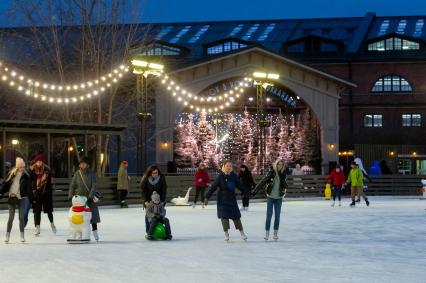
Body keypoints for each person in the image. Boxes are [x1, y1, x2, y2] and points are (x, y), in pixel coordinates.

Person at [204, 160, 248, 241]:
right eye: (227, 166)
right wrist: (207, 197)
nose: (229, 167)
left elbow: (240, 186)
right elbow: (213, 187)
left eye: (230, 166)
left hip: (231, 199)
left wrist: (246, 193)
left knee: (236, 216)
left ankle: (242, 233)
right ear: (224, 167)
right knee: (224, 217)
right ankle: (226, 234)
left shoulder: (234, 176)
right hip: (222, 200)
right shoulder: (220, 176)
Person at [253, 159, 288, 241]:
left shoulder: (283, 174)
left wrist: (285, 186)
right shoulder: (271, 172)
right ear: (276, 164)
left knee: (277, 216)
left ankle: (275, 233)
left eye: (282, 165)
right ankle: (267, 233)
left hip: (279, 198)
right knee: (269, 215)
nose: (280, 166)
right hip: (270, 197)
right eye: (279, 164)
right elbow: (263, 181)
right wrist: (255, 190)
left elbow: (284, 184)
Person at [0, 157, 33, 243]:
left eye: (23, 166)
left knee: (21, 218)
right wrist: (1, 192)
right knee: (11, 218)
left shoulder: (26, 176)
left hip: (21, 199)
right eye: (21, 166)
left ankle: (22, 236)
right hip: (12, 197)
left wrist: (32, 199)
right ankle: (7, 236)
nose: (22, 168)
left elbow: (29, 188)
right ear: (17, 166)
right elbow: (5, 184)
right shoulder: (11, 174)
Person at [68, 157, 101, 241]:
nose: (81, 165)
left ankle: (95, 231)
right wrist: (70, 195)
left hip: (89, 198)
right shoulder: (77, 174)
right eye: (80, 163)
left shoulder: (92, 174)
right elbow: (72, 185)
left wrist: (90, 196)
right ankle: (80, 234)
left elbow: (94, 186)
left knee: (93, 216)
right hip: (80, 200)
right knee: (79, 217)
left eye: (83, 163)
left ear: (87, 165)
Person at [30, 155, 56, 235]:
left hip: (46, 193)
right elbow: (30, 181)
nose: (39, 163)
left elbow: (50, 182)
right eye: (37, 162)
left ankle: (52, 224)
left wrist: (49, 191)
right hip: (37, 194)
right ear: (35, 162)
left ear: (42, 162)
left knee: (49, 211)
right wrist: (32, 191)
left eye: (40, 161)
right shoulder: (32, 170)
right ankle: (37, 228)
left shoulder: (47, 170)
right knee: (37, 212)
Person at [141, 165, 167, 234]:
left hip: (159, 200)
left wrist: (162, 201)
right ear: (150, 173)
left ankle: (158, 230)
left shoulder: (161, 178)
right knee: (148, 215)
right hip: (149, 200)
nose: (155, 174)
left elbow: (164, 189)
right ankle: (148, 231)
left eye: (156, 172)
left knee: (158, 214)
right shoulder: (146, 178)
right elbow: (143, 190)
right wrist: (145, 201)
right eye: (153, 173)